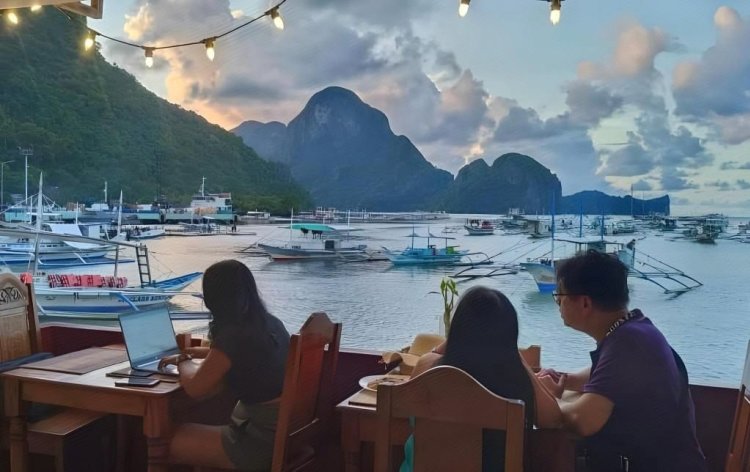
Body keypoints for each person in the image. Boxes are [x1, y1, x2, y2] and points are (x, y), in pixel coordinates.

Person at [538, 250, 707, 471]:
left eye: (559, 297)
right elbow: (598, 376)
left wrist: (549, 400)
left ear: (585, 303)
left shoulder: (629, 343)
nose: (558, 305)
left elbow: (582, 421)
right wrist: (558, 379)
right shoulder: (634, 330)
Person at [404, 286, 561, 472]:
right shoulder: (512, 384)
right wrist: (513, 353)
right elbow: (553, 419)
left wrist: (455, 338)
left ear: (457, 328)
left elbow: (434, 356)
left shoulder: (427, 369)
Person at [159, 259, 290, 470]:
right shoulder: (270, 323)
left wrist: (182, 360)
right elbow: (231, 356)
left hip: (256, 444)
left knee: (164, 439)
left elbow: (195, 389)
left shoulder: (233, 336)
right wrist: (193, 352)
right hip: (282, 434)